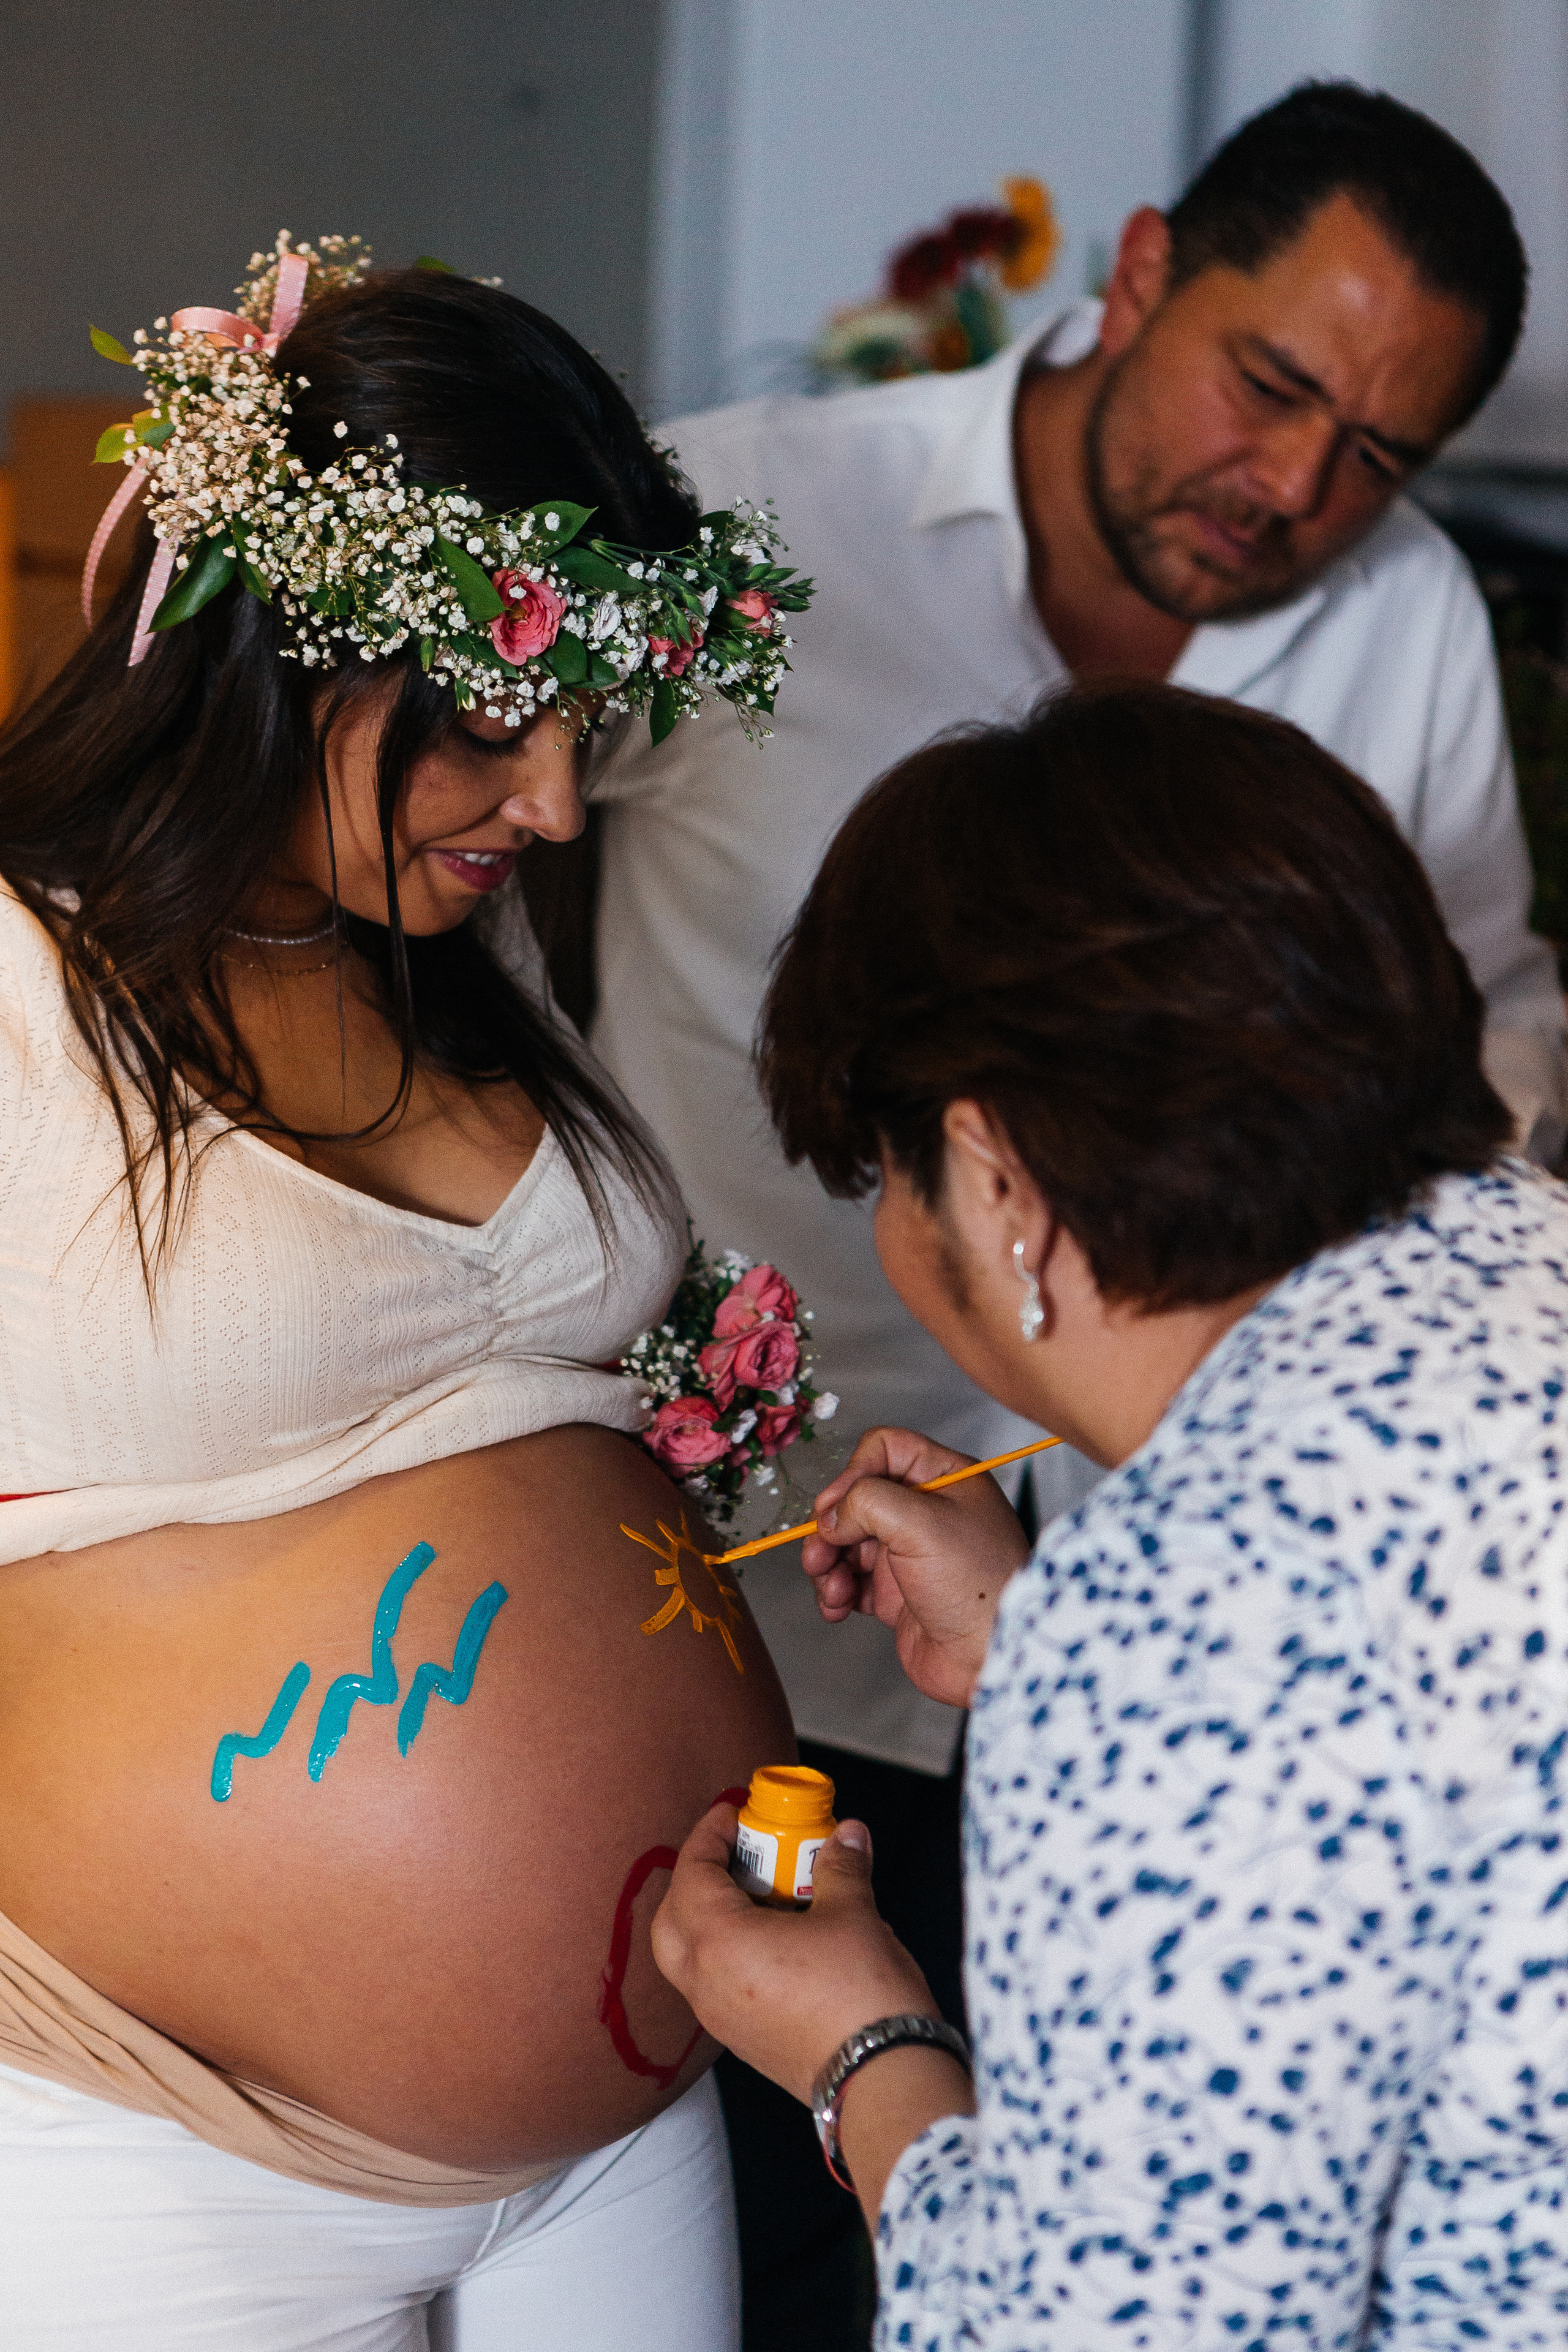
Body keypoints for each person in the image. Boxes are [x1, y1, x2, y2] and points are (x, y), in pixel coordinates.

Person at [587, 85, 1565, 1934]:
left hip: (1191, 1614)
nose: (1297, 490)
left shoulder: (1410, 615)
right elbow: (457, 836)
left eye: (1379, 454)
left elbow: (1478, 1044)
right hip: (738, 1579)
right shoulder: (745, 513)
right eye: (1268, 386)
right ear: (1140, 278)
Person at [0, 238, 804, 2350]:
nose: (553, 804)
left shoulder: (448, 939)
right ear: (283, 650)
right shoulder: (14, 985)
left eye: (584, 729)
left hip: (622, 2117)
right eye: (493, 723)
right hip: (143, 2127)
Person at [654, 682, 1568, 2347]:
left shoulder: (1181, 1614)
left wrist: (865, 2052)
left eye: (890, 1182)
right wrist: (1049, 1646)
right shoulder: (1532, 1267)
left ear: (997, 1181)